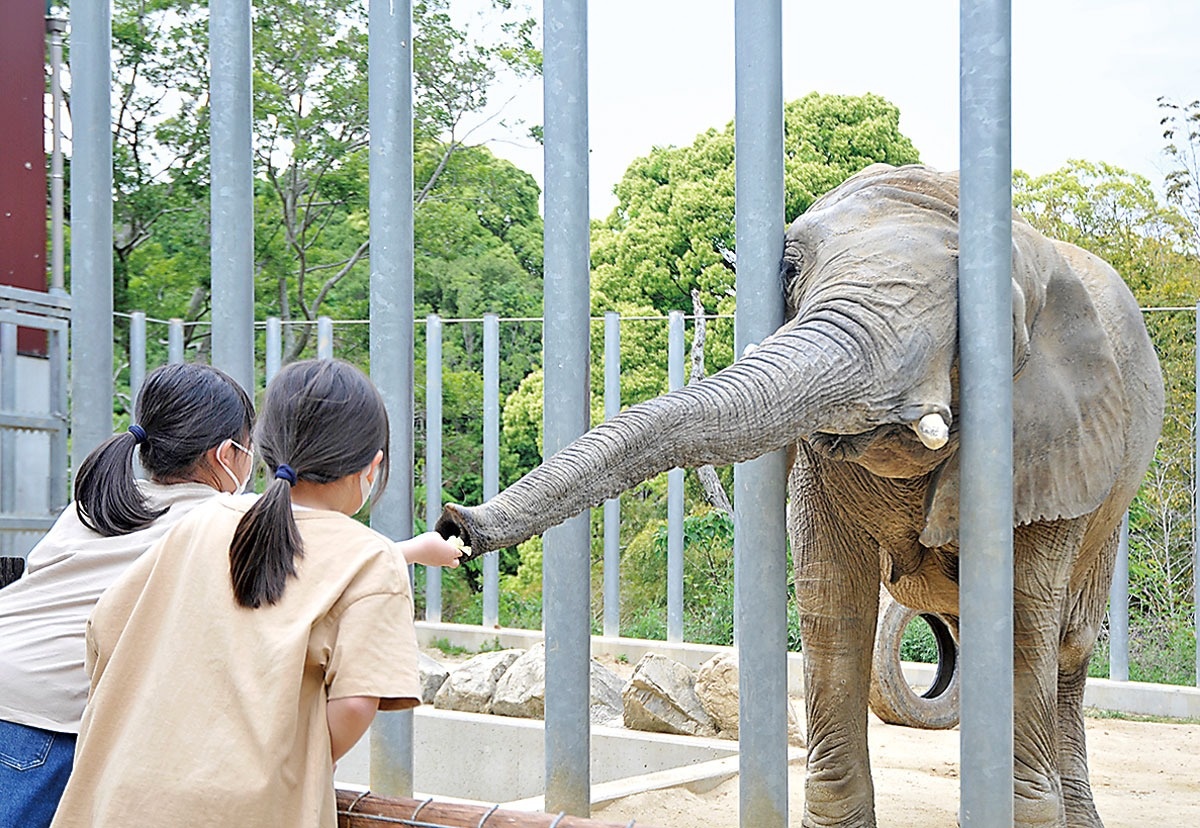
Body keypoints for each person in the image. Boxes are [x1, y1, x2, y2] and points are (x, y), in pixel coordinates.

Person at [50, 359, 463, 828]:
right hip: (244, 809)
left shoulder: (206, 521)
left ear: (263, 449)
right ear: (372, 466)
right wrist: (288, 765)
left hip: (121, 794)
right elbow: (354, 702)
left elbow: (104, 629)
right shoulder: (373, 559)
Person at [0, 363, 256, 828]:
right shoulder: (227, 516)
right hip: (39, 722)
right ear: (227, 454)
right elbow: (325, 553)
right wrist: (411, 552)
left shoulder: (99, 502)